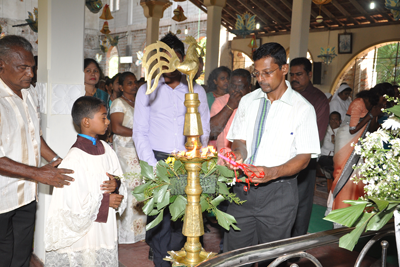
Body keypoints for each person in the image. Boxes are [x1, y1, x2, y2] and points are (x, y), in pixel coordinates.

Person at [223, 43, 320, 265]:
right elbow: (240, 141)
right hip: (243, 190)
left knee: (272, 260)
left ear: (284, 69)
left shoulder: (302, 108)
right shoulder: (248, 101)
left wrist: (272, 172)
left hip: (279, 194)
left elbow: (304, 158)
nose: (261, 79)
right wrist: (237, 154)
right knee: (235, 258)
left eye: (267, 72)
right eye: (257, 73)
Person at [132, 33, 210, 267]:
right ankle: (161, 261)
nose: (168, 66)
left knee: (187, 221)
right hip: (158, 159)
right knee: (160, 223)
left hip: (188, 162)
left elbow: (204, 129)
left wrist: (196, 159)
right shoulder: (147, 90)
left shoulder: (197, 90)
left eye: (173, 59)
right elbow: (140, 132)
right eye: (162, 60)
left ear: (182, 58)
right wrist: (153, 167)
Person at [0, 35, 74, 267]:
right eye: (22, 68)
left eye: (32, 68)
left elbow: (34, 136)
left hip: (26, 195)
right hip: (2, 196)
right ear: (1, 64)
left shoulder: (29, 93)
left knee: (21, 254)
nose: (30, 74)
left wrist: (56, 160)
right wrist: (38, 173)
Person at [45, 96, 127, 266]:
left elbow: (118, 176)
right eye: (103, 117)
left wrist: (116, 184)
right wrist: (105, 201)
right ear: (86, 122)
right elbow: (71, 201)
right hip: (85, 230)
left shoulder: (106, 149)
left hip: (104, 225)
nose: (108, 121)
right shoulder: (74, 158)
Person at [289, 57, 330, 238]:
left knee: (302, 204)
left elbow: (317, 136)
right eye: (292, 75)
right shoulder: (286, 94)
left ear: (309, 74)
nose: (294, 78)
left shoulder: (319, 100)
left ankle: (296, 245)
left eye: (299, 74)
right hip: (280, 157)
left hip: (305, 159)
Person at [110, 72, 147, 243]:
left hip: (139, 150)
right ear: (121, 87)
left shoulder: (139, 102)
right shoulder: (118, 103)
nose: (133, 86)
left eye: (135, 83)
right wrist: (140, 135)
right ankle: (126, 234)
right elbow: (116, 128)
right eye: (129, 83)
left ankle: (140, 231)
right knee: (130, 188)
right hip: (126, 152)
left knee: (141, 189)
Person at [331, 90, 381, 211]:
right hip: (346, 140)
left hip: (357, 141)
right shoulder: (358, 103)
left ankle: (353, 204)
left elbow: (371, 128)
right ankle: (340, 205)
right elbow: (352, 129)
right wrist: (370, 115)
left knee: (357, 174)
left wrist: (374, 115)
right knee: (343, 173)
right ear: (368, 100)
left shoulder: (370, 106)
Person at [210, 68, 252, 158]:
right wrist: (230, 106)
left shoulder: (255, 102)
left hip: (249, 162)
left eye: (241, 87)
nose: (236, 90)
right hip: (224, 161)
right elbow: (212, 131)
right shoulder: (220, 102)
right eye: (233, 86)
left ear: (249, 88)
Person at [318, 111, 342, 179]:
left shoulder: (342, 131)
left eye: (336, 119)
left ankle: (329, 172)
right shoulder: (325, 130)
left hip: (338, 157)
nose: (333, 121)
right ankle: (329, 172)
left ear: (340, 121)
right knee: (327, 161)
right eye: (331, 119)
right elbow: (327, 146)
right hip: (326, 156)